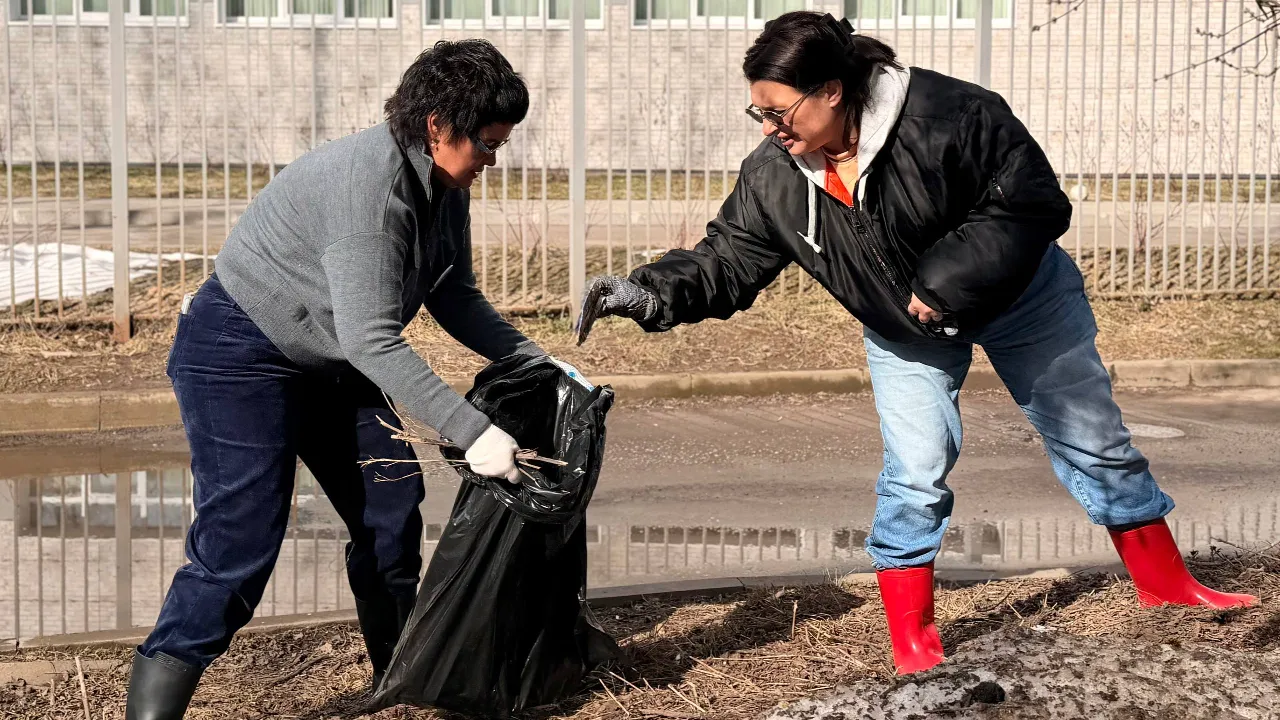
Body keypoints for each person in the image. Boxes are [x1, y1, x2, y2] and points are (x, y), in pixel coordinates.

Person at [576, 12, 1257, 676]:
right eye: (759, 114)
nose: (771, 129)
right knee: (916, 467)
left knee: (1094, 440)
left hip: (1026, 299)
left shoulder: (951, 116)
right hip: (904, 329)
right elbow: (728, 260)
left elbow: (1031, 201)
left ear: (833, 91)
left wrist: (946, 279)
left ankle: (1167, 586)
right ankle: (914, 636)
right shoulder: (775, 176)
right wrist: (648, 293)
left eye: (780, 112)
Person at [126, 40, 563, 719]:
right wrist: (473, 432)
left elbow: (455, 296)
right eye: (486, 143)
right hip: (239, 352)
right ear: (437, 125)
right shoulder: (369, 190)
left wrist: (535, 360)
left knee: (390, 516)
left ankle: (403, 681)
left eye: (500, 145)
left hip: (327, 357)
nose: (492, 160)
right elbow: (372, 339)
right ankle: (153, 710)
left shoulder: (441, 185)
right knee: (239, 542)